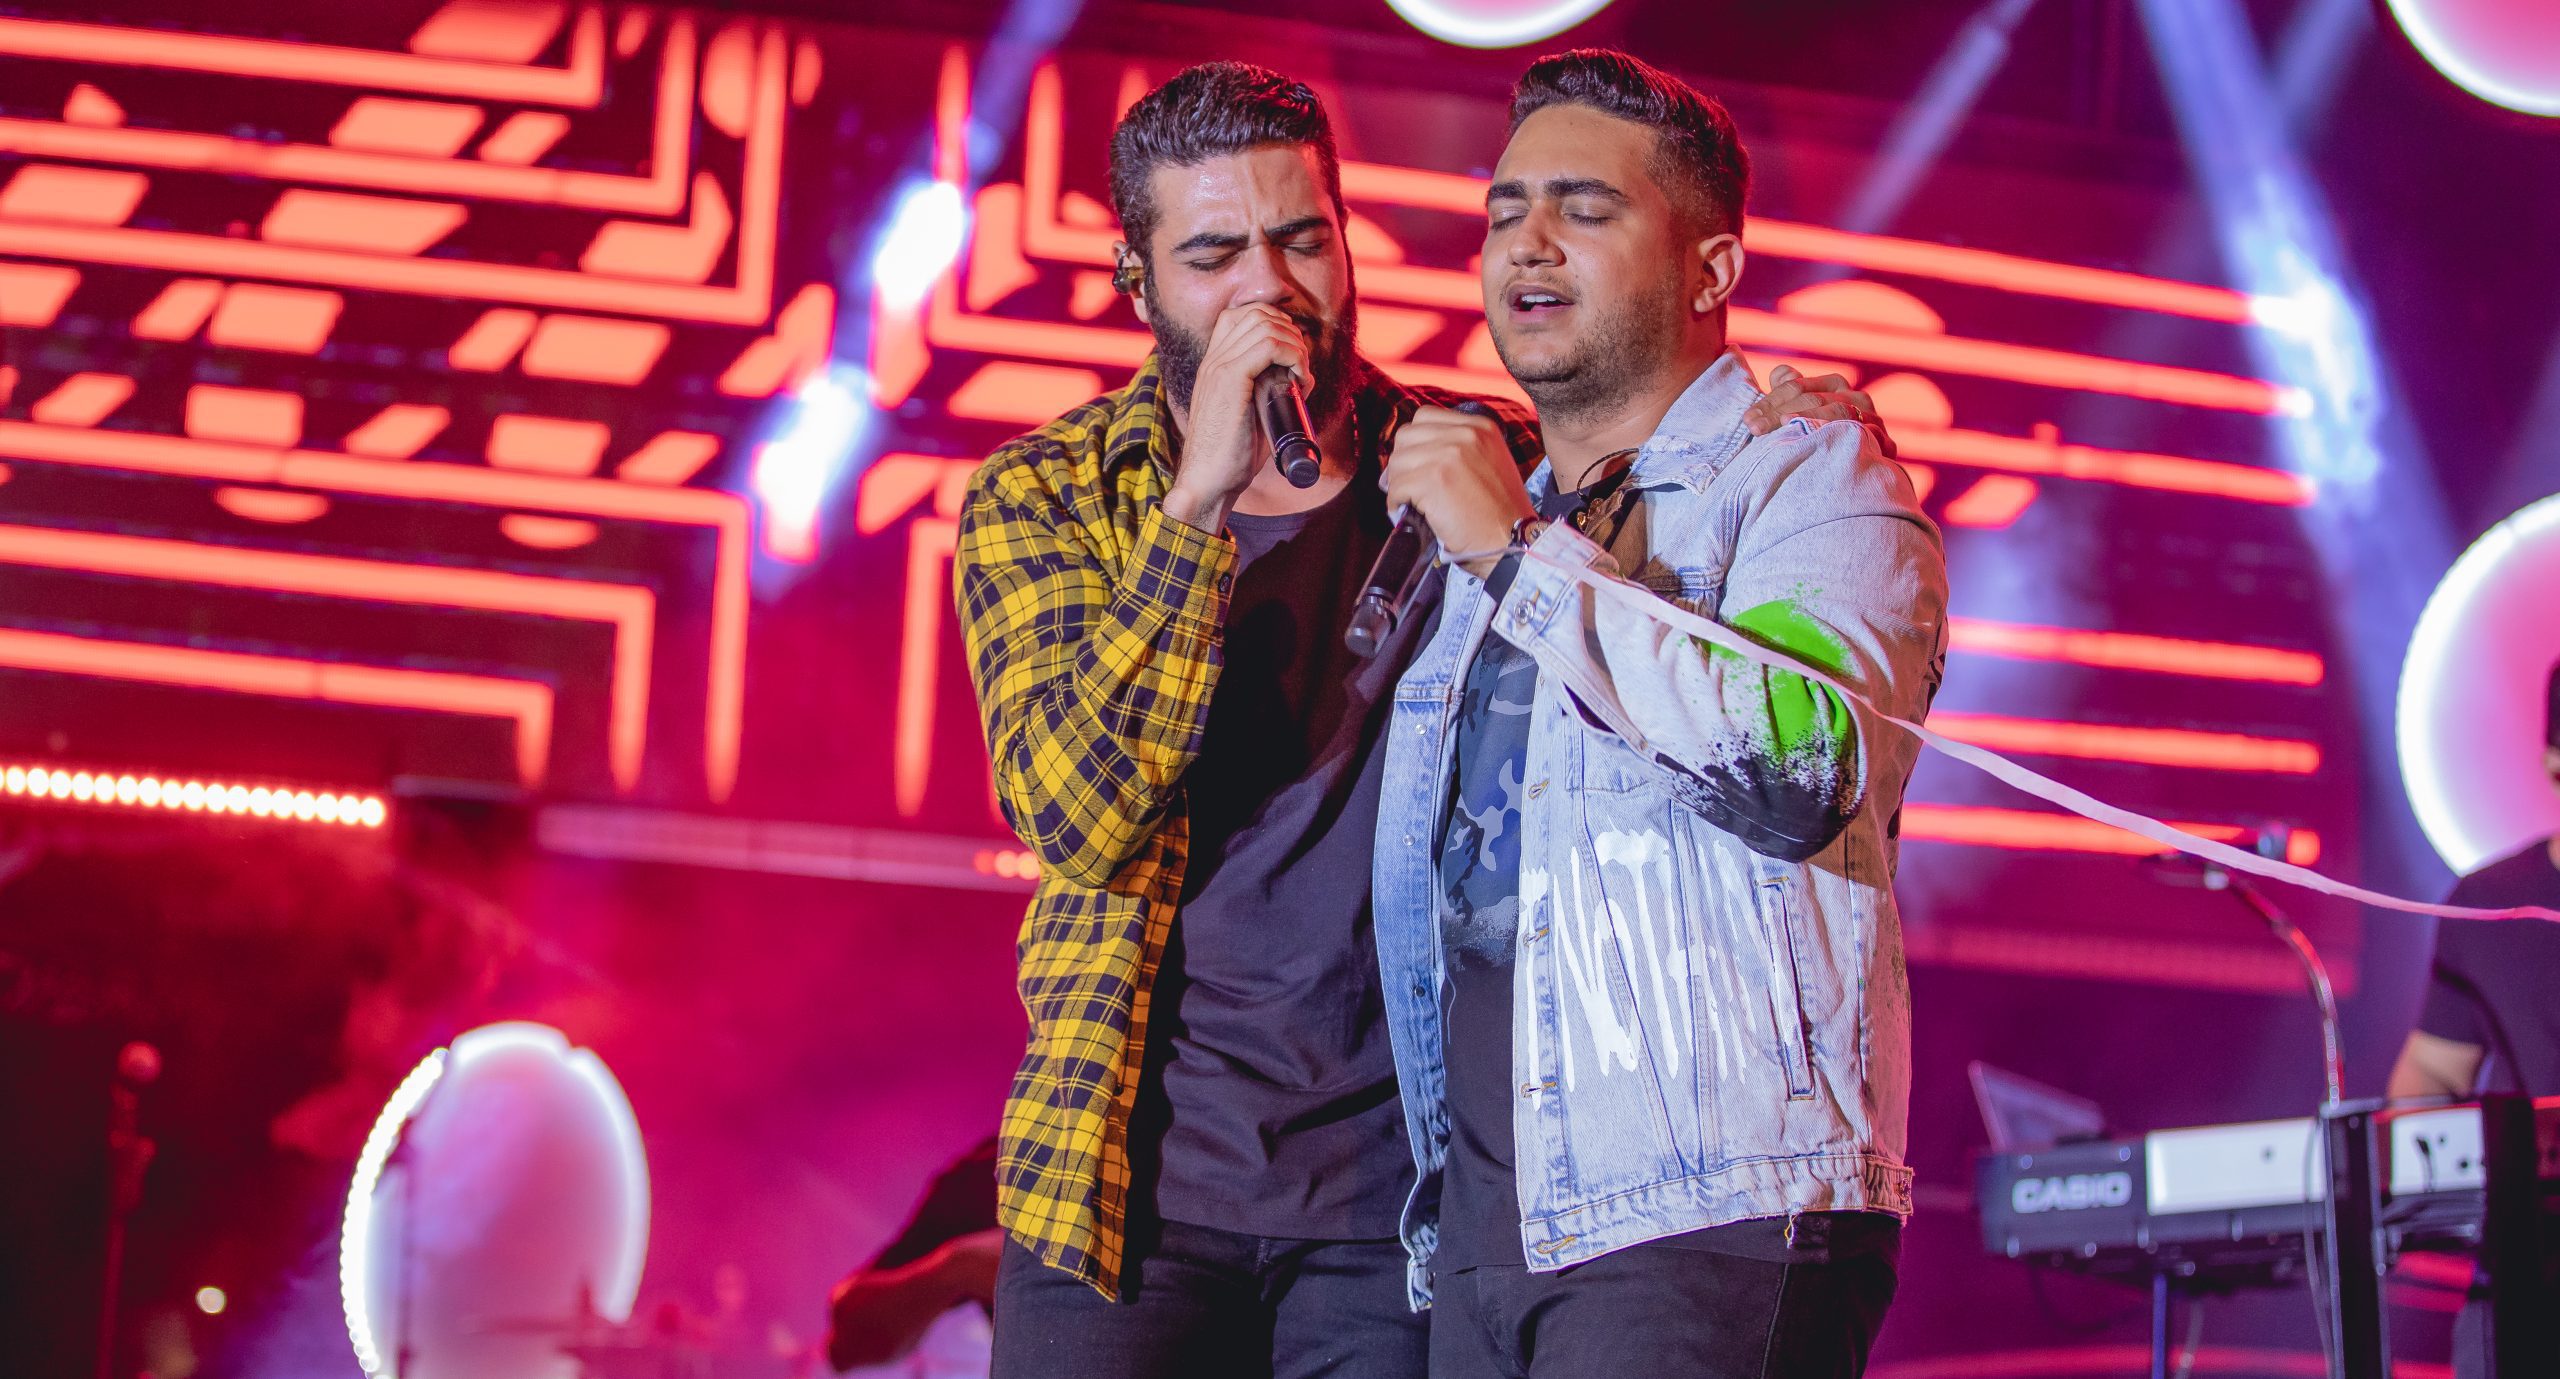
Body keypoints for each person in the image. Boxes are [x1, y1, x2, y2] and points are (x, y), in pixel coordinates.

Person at [952, 60, 1884, 1379]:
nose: (1269, 293)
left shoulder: (1479, 469)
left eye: (1301, 240)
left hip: (1395, 1212)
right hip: (1128, 1203)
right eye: (1213, 256)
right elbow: (1078, 817)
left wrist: (1795, 415)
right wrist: (1194, 510)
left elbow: (1666, 502)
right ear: (1136, 278)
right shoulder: (1049, 494)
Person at [1371, 51, 1948, 1378]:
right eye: (1506, 210)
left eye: (1584, 208)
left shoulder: (1811, 476)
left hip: (1712, 1212)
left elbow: (1802, 760)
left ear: (1711, 269)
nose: (1528, 241)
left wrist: (1523, 561)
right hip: (1486, 1226)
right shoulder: (1487, 507)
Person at [2389, 660, 2560, 1103]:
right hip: (2530, 1151)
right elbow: (2434, 1068)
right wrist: (2421, 1122)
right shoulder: (2489, 902)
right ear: (2554, 768)